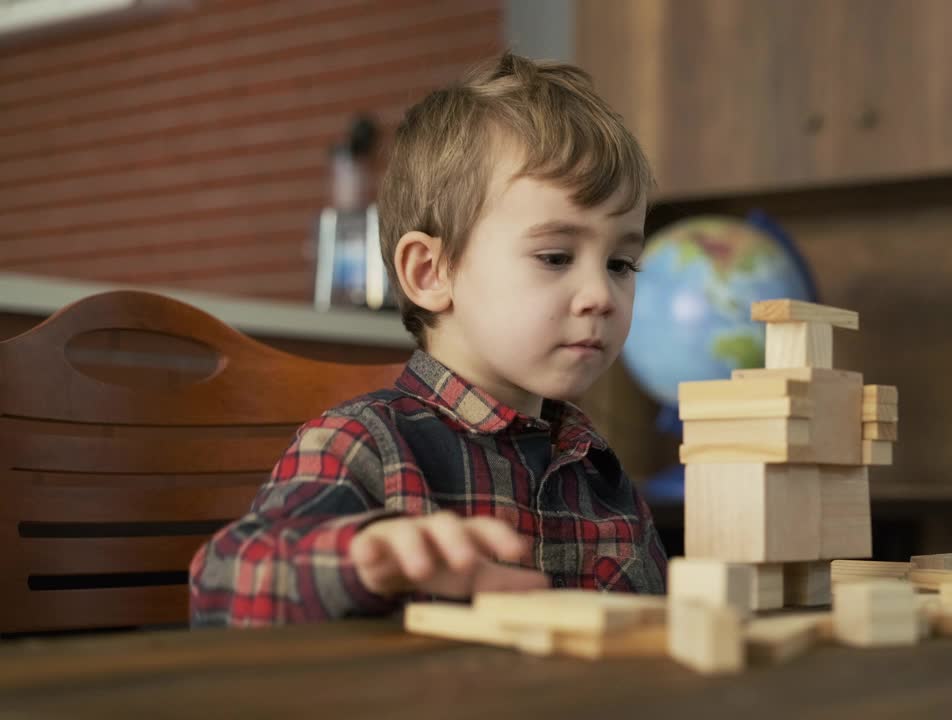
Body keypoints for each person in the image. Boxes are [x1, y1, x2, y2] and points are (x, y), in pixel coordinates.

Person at [189, 52, 668, 626]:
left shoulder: (598, 471)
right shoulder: (360, 445)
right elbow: (221, 589)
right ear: (430, 272)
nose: (602, 295)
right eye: (555, 256)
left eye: (621, 263)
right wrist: (360, 563)